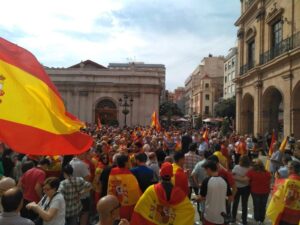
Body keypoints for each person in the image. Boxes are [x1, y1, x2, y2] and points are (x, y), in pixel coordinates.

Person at [131, 162, 195, 225]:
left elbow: (140, 209)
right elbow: (189, 211)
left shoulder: (151, 190)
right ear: (171, 175)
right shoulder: (179, 193)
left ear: (160, 174)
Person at [195, 160, 233, 225]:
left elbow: (201, 198)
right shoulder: (224, 179)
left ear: (209, 169)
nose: (205, 172)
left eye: (205, 170)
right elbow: (230, 197)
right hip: (221, 215)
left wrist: (196, 198)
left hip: (210, 215)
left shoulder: (206, 181)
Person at [235, 159, 271, 224]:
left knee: (256, 206)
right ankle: (261, 220)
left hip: (256, 192)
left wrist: (234, 177)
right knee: (263, 206)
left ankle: (257, 220)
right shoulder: (267, 172)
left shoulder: (251, 172)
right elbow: (269, 182)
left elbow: (244, 180)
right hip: (266, 192)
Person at [107, 154, 141, 221]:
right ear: (126, 163)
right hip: (127, 206)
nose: (130, 163)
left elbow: (110, 187)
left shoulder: (112, 172)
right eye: (129, 161)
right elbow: (135, 192)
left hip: (115, 203)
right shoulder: (130, 176)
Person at [267, 160, 300, 225]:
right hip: (297, 216)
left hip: (284, 215)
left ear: (292, 169)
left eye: (288, 167)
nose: (287, 169)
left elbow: (279, 198)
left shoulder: (286, 182)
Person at [70, 153, 91, 225]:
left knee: (75, 216)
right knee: (84, 215)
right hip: (83, 194)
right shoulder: (82, 164)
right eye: (84, 153)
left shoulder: (71, 162)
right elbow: (87, 179)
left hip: (73, 193)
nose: (85, 155)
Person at [232, 155, 251, 225]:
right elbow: (249, 179)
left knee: (235, 203)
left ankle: (233, 217)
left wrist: (237, 177)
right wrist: (243, 178)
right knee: (244, 204)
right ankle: (244, 220)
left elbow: (232, 175)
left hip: (237, 188)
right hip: (246, 188)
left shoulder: (236, 167)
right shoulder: (249, 169)